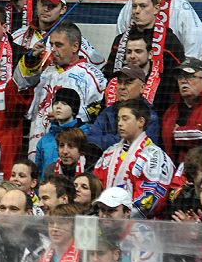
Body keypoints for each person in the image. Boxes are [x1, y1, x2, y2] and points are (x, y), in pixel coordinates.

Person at [14, 22, 106, 162]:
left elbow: (96, 110)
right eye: (51, 44)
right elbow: (20, 85)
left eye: (59, 45)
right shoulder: (42, 69)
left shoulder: (92, 76)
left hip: (70, 149)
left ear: (75, 46)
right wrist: (32, 59)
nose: (53, 49)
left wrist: (67, 116)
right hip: (38, 141)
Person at [107, 0, 186, 116]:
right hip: (118, 112)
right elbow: (109, 76)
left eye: (143, 6)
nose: (137, 11)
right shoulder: (120, 41)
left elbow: (175, 83)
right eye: (134, 6)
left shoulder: (170, 42)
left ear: (156, 9)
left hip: (159, 113)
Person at [94, 97, 174, 218]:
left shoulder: (154, 156)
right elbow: (96, 184)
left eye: (125, 119)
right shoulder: (110, 153)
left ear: (141, 122)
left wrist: (122, 216)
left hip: (141, 225)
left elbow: (150, 199)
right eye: (119, 119)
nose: (120, 123)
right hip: (106, 220)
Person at [13, 0, 103, 66]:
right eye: (43, 4)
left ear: (63, 9)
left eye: (52, 5)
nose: (46, 9)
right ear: (37, 4)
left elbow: (97, 65)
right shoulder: (19, 36)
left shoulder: (72, 38)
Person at [161, 58, 202, 163]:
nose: (183, 81)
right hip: (177, 170)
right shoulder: (171, 111)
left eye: (190, 77)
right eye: (180, 77)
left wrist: (178, 133)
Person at [87, 64, 160, 153]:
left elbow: (138, 148)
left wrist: (106, 141)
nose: (122, 87)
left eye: (129, 82)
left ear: (142, 88)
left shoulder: (150, 117)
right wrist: (119, 139)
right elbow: (89, 139)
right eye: (119, 82)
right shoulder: (108, 112)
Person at [36, 90, 88, 175]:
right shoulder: (45, 139)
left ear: (74, 110)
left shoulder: (84, 136)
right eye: (56, 103)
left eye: (64, 103)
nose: (58, 107)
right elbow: (38, 171)